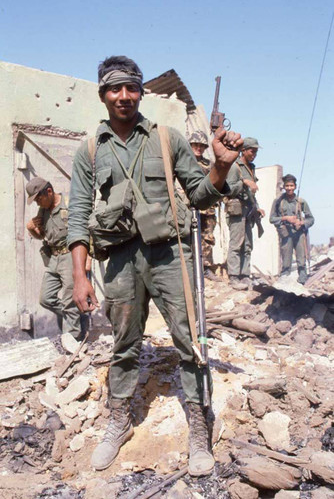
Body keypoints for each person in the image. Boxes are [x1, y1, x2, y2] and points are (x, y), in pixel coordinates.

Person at [67, 55, 243, 476]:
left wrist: (219, 165)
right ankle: (119, 421)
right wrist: (79, 274)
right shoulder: (90, 150)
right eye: (115, 89)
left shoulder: (168, 138)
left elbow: (201, 195)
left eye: (131, 87)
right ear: (103, 94)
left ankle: (199, 430)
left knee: (190, 341)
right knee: (123, 344)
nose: (124, 96)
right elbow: (76, 212)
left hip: (171, 256)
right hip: (121, 261)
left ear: (141, 91)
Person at [26, 177, 84, 338]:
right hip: (53, 258)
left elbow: (86, 232)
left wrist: (87, 260)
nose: (38, 204)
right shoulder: (43, 210)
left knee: (68, 300)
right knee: (46, 298)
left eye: (39, 199)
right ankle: (75, 317)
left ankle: (72, 340)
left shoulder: (69, 204)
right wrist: (31, 229)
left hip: (69, 257)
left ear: (49, 192)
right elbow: (43, 235)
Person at [224, 137, 265, 290]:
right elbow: (227, 189)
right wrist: (244, 182)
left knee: (247, 244)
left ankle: (245, 275)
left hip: (249, 210)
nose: (254, 154)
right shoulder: (235, 167)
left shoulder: (251, 168)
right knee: (236, 243)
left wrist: (258, 207)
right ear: (244, 150)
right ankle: (234, 277)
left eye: (255, 151)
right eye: (251, 150)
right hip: (237, 209)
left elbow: (252, 193)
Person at [269, 174, 314, 284]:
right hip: (285, 234)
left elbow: (311, 219)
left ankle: (302, 282)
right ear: (284, 187)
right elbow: (272, 219)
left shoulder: (301, 202)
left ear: (295, 186)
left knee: (301, 260)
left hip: (299, 234)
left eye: (291, 185)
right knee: (286, 261)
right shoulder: (278, 201)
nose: (289, 188)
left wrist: (302, 223)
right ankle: (284, 282)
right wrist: (285, 218)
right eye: (287, 186)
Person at [188, 130, 221, 282]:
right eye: (195, 145)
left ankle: (206, 268)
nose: (198, 148)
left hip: (207, 207)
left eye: (201, 146)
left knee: (207, 238)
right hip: (187, 205)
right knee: (186, 236)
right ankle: (189, 269)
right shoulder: (183, 161)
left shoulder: (209, 164)